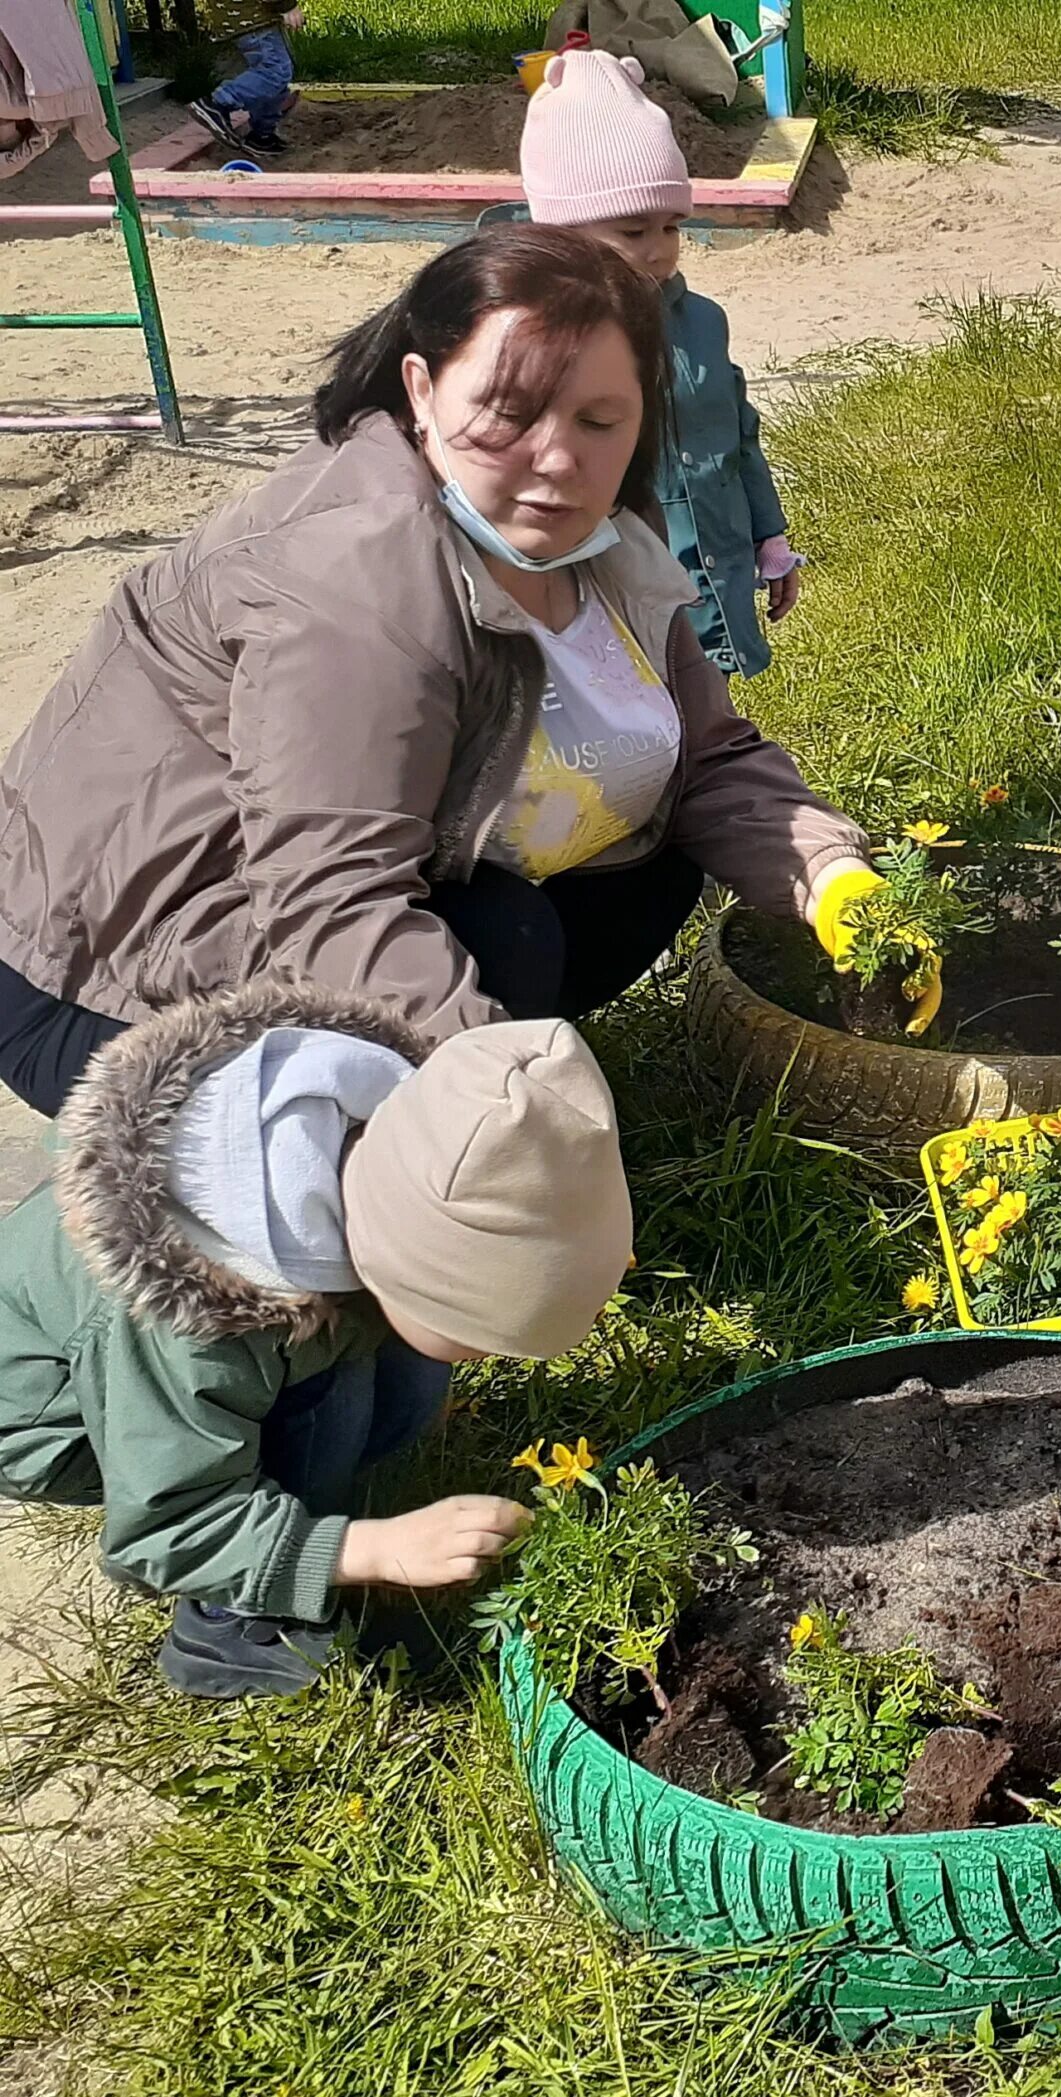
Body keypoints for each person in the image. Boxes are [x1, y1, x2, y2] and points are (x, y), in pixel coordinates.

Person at [0, 224, 878, 1120]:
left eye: (598, 420)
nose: (559, 459)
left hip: (295, 912)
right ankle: (388, 1154)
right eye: (510, 413)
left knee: (649, 872)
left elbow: (709, 756)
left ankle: (473, 1057)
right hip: (102, 979)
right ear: (422, 389)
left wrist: (834, 878)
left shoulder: (606, 529)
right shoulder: (357, 575)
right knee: (506, 941)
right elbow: (331, 899)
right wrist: (516, 1097)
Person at [0, 984, 633, 1698]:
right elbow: (164, 1523)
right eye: (484, 1336)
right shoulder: (194, 1313)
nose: (492, 1358)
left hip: (198, 1359)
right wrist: (374, 1549)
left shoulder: (378, 1147)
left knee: (392, 1382)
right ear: (405, 1267)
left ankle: (312, 1498)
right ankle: (233, 1626)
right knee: (329, 1398)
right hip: (55, 1422)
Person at [519, 50, 803, 679]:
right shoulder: (540, 340)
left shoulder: (702, 323)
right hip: (612, 585)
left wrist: (769, 535)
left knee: (707, 714)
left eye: (671, 227)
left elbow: (738, 434)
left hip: (713, 571)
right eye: (631, 230)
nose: (659, 251)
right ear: (564, 232)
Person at [186, 0, 303, 157]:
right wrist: (286, 5)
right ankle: (217, 104)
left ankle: (262, 136)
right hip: (253, 18)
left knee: (272, 78)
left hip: (242, 17)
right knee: (275, 72)